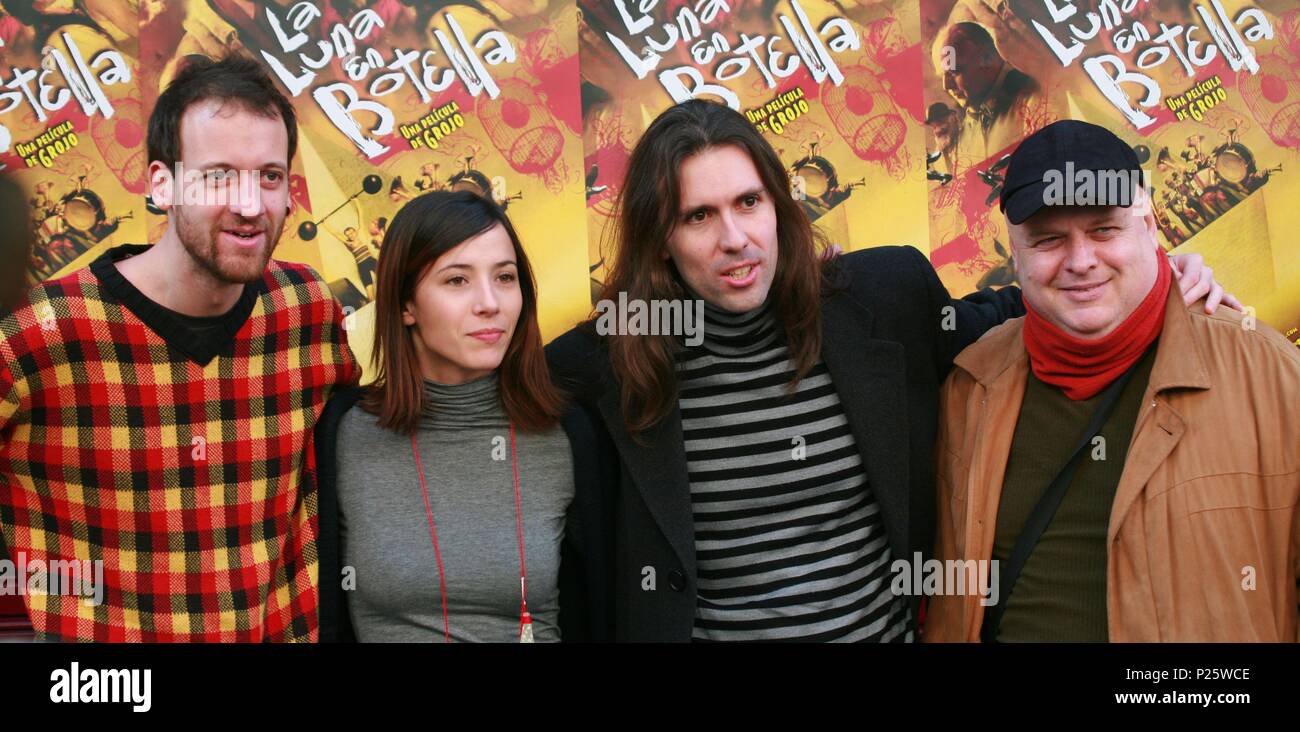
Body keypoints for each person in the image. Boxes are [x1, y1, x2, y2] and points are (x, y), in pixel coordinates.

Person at [545, 100, 1232, 642]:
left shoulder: (884, 299)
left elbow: (1035, 302)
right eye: (698, 216)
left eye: (749, 203)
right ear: (660, 239)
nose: (735, 238)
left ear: (780, 206)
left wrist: (1164, 277)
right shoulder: (607, 364)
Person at [0, 54, 356, 641]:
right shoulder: (42, 331)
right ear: (161, 184)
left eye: (269, 176)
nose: (250, 204)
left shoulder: (306, 309)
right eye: (219, 175)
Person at [926, 120, 1297, 642]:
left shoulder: (1267, 373)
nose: (1081, 261)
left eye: (1104, 230)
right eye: (1049, 239)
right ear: (1015, 254)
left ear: (1150, 226)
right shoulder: (970, 386)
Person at [315, 191, 612, 643]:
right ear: (404, 304)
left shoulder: (567, 433)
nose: (489, 302)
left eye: (505, 277)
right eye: (457, 281)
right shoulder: (343, 430)